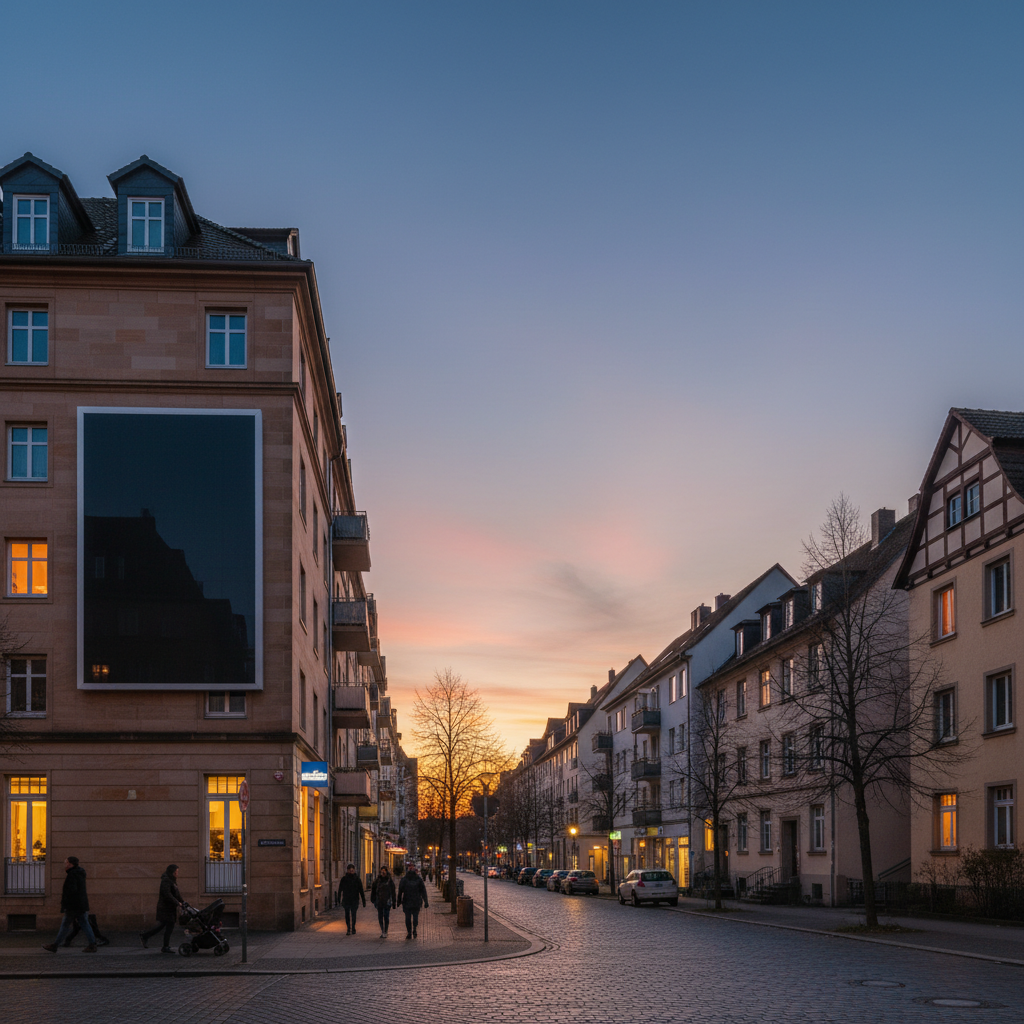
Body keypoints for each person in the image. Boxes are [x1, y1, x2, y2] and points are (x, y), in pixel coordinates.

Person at [42, 856, 98, 953]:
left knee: (65, 925)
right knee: (84, 924)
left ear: (69, 864)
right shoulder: (79, 873)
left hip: (73, 906)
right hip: (81, 905)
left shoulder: (72, 875)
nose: (65, 865)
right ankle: (92, 944)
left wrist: (66, 905)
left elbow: (71, 891)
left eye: (66, 863)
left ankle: (55, 945)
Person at [140, 864, 183, 953]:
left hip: (169, 908)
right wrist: (177, 902)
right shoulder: (166, 881)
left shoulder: (172, 880)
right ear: (172, 872)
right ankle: (165, 946)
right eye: (176, 872)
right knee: (169, 926)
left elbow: (176, 894)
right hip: (166, 908)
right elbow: (167, 894)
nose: (177, 874)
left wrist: (183, 902)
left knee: (163, 925)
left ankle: (145, 936)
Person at [397, 862, 428, 939]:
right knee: (413, 917)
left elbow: (400, 891)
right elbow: (423, 891)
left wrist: (398, 901)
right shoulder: (418, 879)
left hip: (409, 901)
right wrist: (425, 901)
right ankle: (413, 930)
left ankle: (410, 931)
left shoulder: (405, 879)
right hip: (414, 901)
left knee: (409, 918)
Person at [337, 862, 366, 934]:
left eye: (352, 870)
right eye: (349, 870)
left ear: (354, 870)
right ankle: (348, 928)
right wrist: (338, 898)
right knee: (347, 914)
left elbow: (361, 890)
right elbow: (340, 889)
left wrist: (363, 900)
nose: (351, 872)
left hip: (354, 899)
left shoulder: (357, 879)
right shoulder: (344, 879)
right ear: (347, 870)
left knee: (353, 914)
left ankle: (353, 927)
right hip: (346, 899)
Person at [370, 866, 397, 939]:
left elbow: (393, 892)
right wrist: (373, 900)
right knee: (380, 916)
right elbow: (373, 890)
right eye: (382, 870)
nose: (383, 872)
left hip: (387, 901)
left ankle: (386, 930)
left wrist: (394, 902)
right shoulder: (377, 881)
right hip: (379, 901)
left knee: (386, 916)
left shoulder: (389, 881)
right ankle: (383, 930)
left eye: (384, 870)